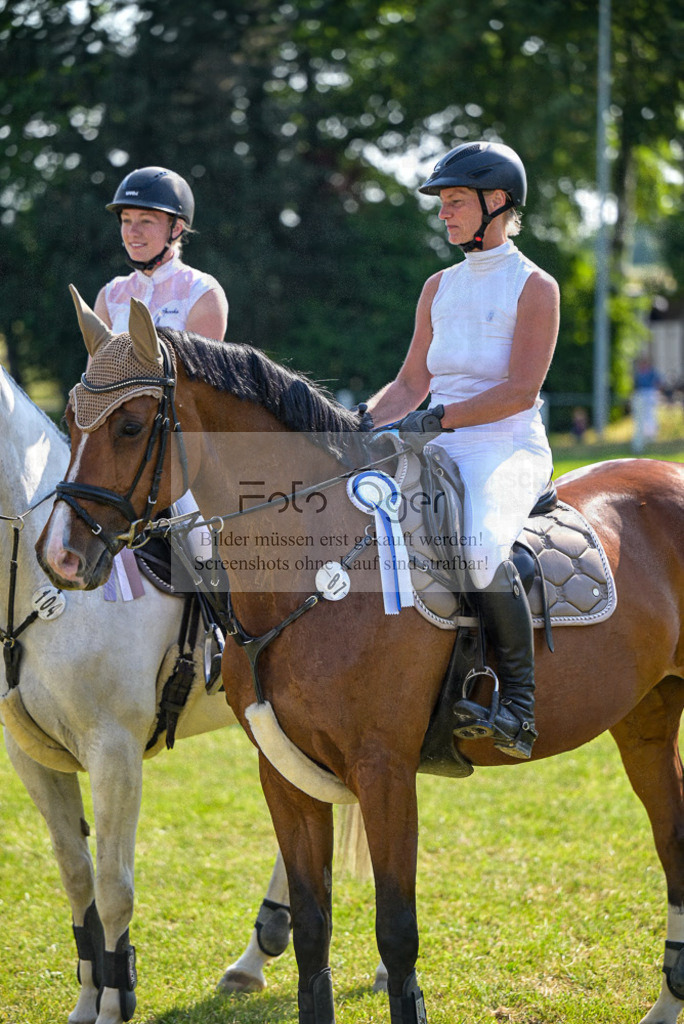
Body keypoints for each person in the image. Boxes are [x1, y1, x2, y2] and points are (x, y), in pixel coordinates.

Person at [363, 140, 560, 759]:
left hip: (503, 444)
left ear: (495, 202)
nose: (444, 214)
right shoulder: (438, 286)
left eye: (454, 203)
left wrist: (436, 419)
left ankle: (520, 706)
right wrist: (354, 423)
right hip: (436, 437)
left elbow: (520, 390)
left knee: (476, 552)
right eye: (442, 204)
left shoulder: (536, 286)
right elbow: (408, 383)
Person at [94, 165, 228, 340]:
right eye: (126, 220)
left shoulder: (202, 293)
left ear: (175, 229)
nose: (133, 232)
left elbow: (198, 367)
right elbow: (95, 367)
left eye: (146, 221)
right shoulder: (109, 296)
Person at [631, 354, 661, 453]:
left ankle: (650, 437)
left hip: (650, 395)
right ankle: (640, 442)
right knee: (640, 420)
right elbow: (635, 386)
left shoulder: (652, 373)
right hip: (640, 396)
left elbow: (659, 383)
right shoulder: (638, 374)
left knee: (650, 417)